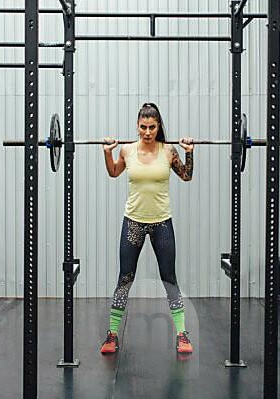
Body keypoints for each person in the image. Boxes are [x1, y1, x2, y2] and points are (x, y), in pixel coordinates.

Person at [100, 102, 194, 355]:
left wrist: (189, 151)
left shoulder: (168, 151)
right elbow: (113, 173)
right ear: (137, 126)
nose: (147, 132)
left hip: (162, 222)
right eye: (143, 127)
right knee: (125, 278)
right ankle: (112, 335)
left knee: (169, 278)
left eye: (152, 127)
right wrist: (108, 152)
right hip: (133, 222)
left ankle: (182, 334)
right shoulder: (128, 150)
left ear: (159, 126)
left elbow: (186, 176)